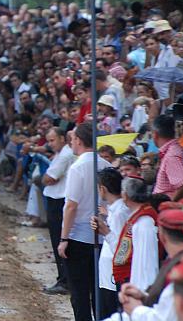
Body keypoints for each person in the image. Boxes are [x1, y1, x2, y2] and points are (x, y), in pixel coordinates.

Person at [58, 122, 112, 321]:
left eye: (72, 139)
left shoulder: (78, 167)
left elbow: (71, 205)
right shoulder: (106, 165)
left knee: (80, 293)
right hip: (102, 233)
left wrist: (64, 237)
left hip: (79, 236)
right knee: (97, 290)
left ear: (78, 141)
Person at [90, 167, 129, 318]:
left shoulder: (120, 212)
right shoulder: (114, 210)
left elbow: (122, 249)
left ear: (103, 189)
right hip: (107, 273)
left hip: (113, 276)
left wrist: (105, 231)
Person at [40, 126, 74, 295]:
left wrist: (45, 178)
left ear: (62, 138)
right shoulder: (62, 154)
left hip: (58, 200)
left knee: (58, 240)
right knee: (56, 240)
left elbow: (49, 178)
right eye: (48, 141)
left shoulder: (65, 155)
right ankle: (63, 278)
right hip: (55, 199)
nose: (50, 144)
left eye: (53, 140)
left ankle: (64, 280)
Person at [152, 115, 183, 201]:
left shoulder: (172, 155)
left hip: (172, 210)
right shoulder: (172, 151)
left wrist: (170, 203)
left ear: (155, 135)